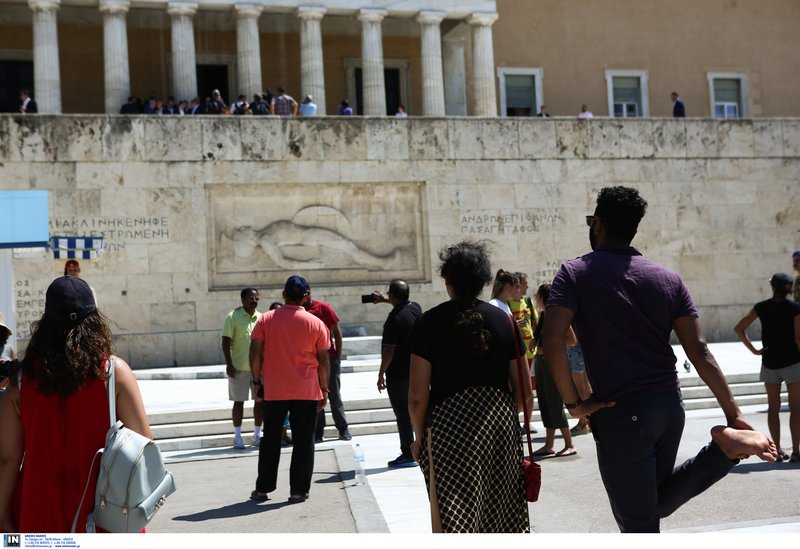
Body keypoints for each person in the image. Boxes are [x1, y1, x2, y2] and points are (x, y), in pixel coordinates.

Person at [542, 185, 778, 533]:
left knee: (638, 524)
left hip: (620, 410)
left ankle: (724, 452)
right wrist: (734, 413)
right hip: (668, 405)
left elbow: (552, 340)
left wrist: (574, 404)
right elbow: (699, 351)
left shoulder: (574, 273)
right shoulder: (668, 278)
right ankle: (723, 451)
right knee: (654, 503)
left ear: (599, 225)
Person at [0, 276, 151, 532]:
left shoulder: (21, 382)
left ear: (46, 321)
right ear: (94, 320)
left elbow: (8, 458)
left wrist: (2, 515)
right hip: (105, 512)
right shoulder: (114, 374)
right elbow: (143, 446)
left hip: (39, 510)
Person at [409, 241, 533, 533]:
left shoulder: (428, 323)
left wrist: (419, 438)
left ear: (447, 281)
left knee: (455, 513)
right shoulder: (505, 321)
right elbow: (525, 392)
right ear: (483, 281)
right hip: (498, 428)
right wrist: (499, 417)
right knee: (501, 512)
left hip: (448, 431)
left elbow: (417, 396)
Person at [249, 276, 330, 503]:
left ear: (283, 295)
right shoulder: (316, 323)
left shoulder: (266, 319)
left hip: (275, 389)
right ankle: (298, 491)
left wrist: (256, 383)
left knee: (270, 438)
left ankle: (263, 489)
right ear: (305, 297)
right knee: (304, 440)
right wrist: (324, 389)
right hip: (306, 389)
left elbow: (254, 353)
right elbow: (324, 361)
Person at [734, 273, 800, 463]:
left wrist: (754, 350)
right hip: (792, 362)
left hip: (769, 363)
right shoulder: (795, 308)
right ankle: (796, 452)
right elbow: (798, 337)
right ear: (789, 288)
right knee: (796, 408)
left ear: (772, 287)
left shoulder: (761, 307)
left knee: (773, 408)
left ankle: (777, 451)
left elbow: (739, 328)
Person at [372, 280, 422, 468]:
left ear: (392, 295)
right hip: (417, 370)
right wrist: (386, 299)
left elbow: (389, 350)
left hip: (399, 375)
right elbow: (402, 303)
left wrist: (381, 374)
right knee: (417, 410)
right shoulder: (415, 308)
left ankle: (408, 454)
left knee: (402, 414)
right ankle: (423, 447)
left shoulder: (393, 320)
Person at [531, 283, 577, 457]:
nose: (535, 299)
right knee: (545, 403)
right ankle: (549, 444)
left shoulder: (555, 315)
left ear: (543, 297)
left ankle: (569, 444)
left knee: (555, 404)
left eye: (537, 296)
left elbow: (572, 340)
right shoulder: (544, 315)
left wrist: (550, 347)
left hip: (553, 364)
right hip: (542, 363)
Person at [304, 285, 351, 441]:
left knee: (334, 394)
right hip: (310, 360)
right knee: (315, 396)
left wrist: (337, 356)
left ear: (309, 292)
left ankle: (343, 428)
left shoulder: (323, 308)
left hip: (328, 358)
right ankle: (318, 431)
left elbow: (336, 331)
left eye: (306, 293)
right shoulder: (299, 311)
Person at [222, 288, 263, 449]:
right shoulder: (233, 316)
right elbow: (225, 341)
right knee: (238, 402)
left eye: (256, 298)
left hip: (258, 369)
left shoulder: (261, 318)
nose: (254, 301)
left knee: (259, 401)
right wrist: (229, 364)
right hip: (238, 368)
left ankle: (257, 434)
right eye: (251, 298)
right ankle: (237, 436)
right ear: (243, 299)